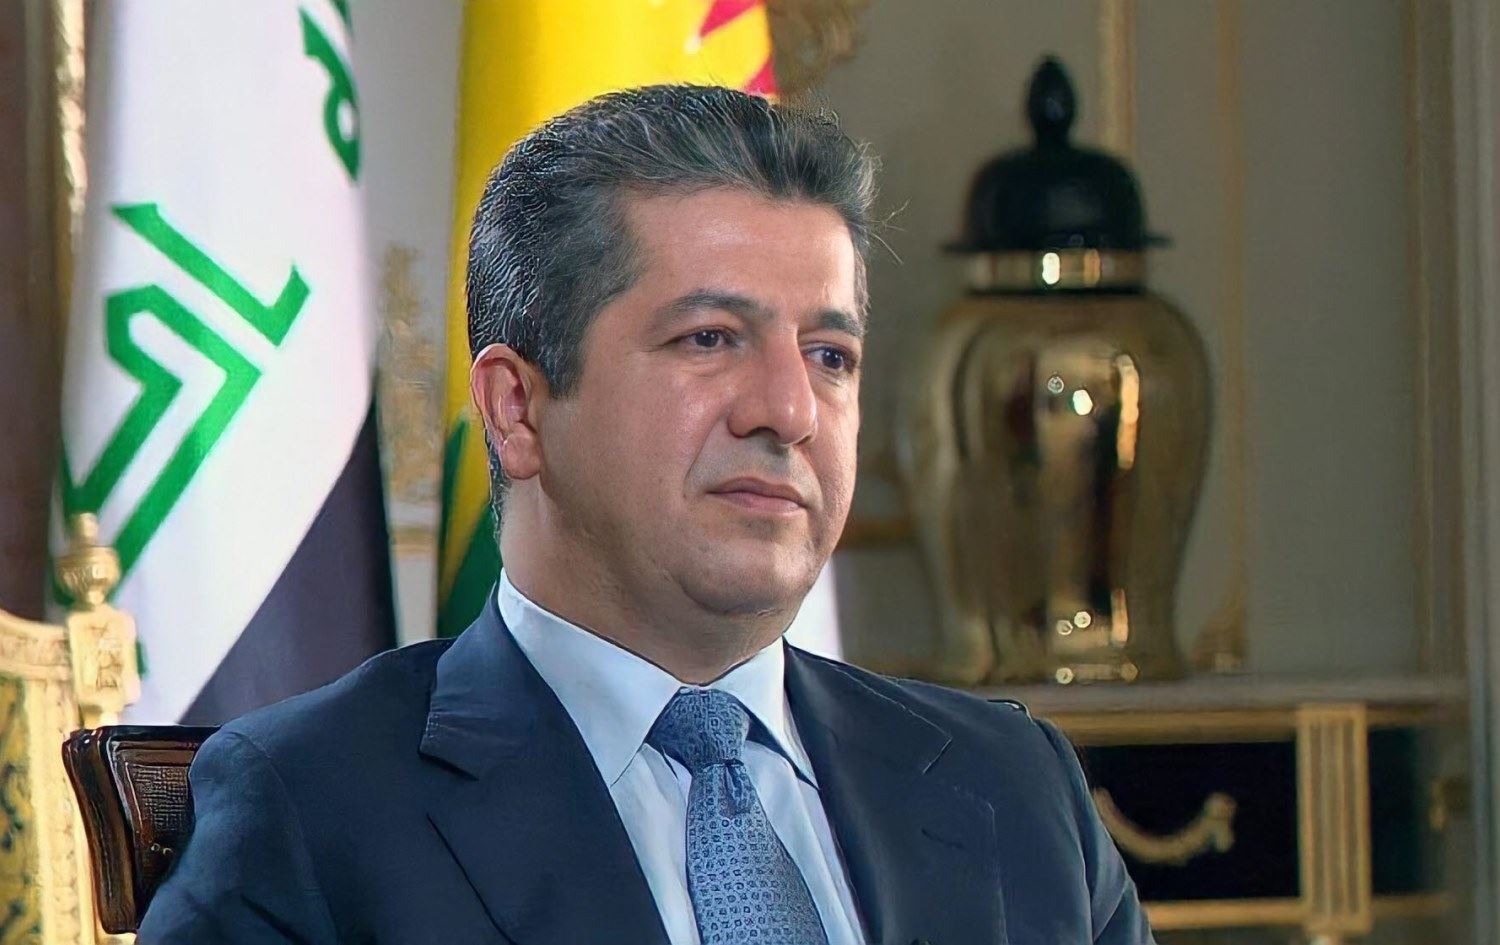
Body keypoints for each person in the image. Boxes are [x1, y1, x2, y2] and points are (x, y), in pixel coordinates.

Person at [139, 83, 1153, 945]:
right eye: (710, 339)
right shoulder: (314, 810)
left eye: (829, 355)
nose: (790, 410)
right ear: (518, 408)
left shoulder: (1015, 789)